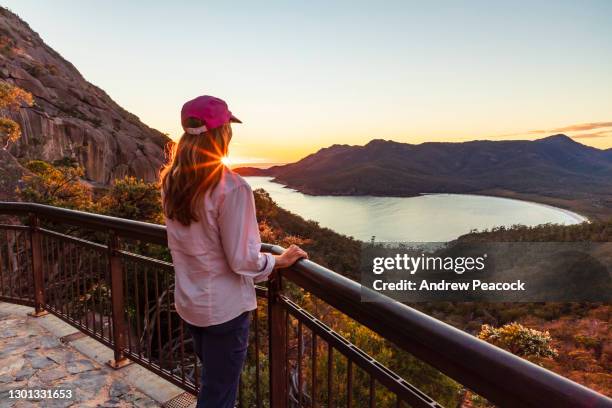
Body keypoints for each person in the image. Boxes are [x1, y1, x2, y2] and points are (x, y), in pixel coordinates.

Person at [160, 95, 307, 408]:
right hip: (224, 309)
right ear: (222, 133)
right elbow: (242, 258)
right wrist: (279, 260)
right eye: (228, 127)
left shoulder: (171, 181)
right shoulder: (232, 187)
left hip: (190, 301)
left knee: (213, 384)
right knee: (220, 395)